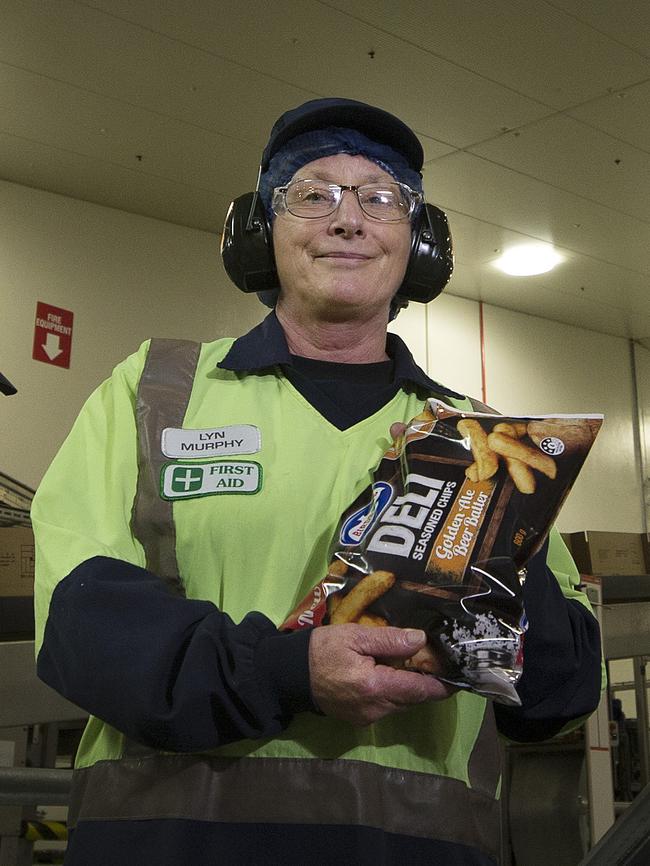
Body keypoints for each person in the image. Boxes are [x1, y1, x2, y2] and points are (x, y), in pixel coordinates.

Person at [32, 97, 604, 866]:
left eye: (381, 198)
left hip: (420, 849)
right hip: (165, 842)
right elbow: (81, 620)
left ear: (418, 243)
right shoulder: (155, 390)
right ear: (264, 232)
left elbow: (560, 698)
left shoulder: (490, 443)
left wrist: (485, 515)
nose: (348, 219)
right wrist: (287, 671)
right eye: (314, 194)